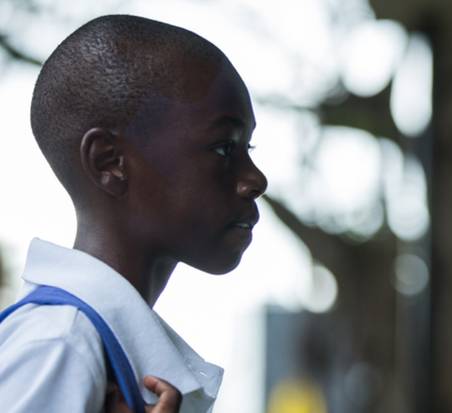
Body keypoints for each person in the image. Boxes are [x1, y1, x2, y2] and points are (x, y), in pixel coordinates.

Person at [0, 14, 267, 413]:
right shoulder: (60, 344)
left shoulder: (85, 342)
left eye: (249, 149)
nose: (255, 180)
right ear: (110, 162)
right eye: (224, 148)